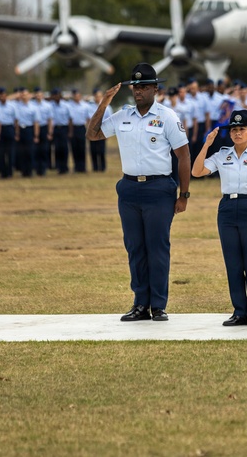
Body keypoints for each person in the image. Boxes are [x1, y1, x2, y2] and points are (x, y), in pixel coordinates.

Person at [87, 63, 191, 323]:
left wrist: (184, 194)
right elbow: (93, 134)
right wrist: (104, 102)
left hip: (159, 189)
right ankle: (140, 304)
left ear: (155, 88)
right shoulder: (123, 115)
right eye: (135, 87)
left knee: (157, 248)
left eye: (144, 86)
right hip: (130, 188)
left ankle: (158, 305)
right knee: (135, 248)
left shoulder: (167, 117)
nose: (138, 91)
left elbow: (183, 155)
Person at [192, 109, 247, 326]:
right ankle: (239, 311)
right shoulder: (222, 155)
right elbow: (197, 171)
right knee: (233, 263)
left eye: (242, 129)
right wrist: (206, 145)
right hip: (228, 208)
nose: (237, 133)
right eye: (234, 130)